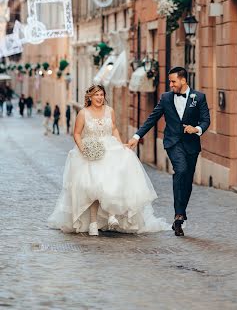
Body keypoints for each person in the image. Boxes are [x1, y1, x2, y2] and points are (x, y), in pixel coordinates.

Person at [48, 84, 169, 236]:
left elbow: (113, 129)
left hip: (109, 148)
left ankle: (112, 215)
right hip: (91, 151)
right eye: (96, 95)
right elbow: (77, 133)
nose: (99, 98)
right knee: (92, 188)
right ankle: (92, 223)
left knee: (113, 182)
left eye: (101, 95)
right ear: (90, 97)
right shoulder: (83, 113)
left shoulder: (109, 110)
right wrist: (83, 149)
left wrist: (119, 145)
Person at [128, 67, 210, 237]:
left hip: (191, 145)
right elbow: (152, 118)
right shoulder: (166, 98)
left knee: (187, 180)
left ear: (183, 80)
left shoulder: (199, 97)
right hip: (173, 142)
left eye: (173, 81)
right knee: (180, 170)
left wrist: (196, 129)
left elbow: (205, 120)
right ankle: (178, 215)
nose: (171, 85)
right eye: (170, 82)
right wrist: (136, 136)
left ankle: (181, 213)